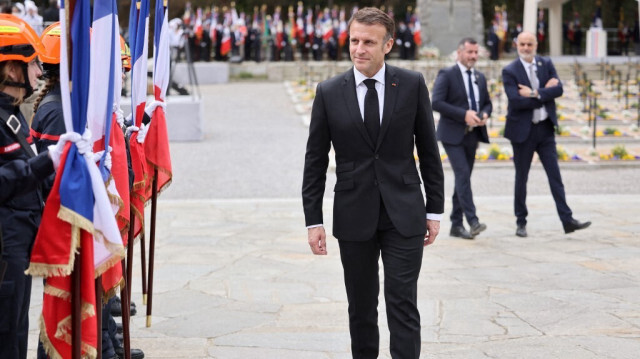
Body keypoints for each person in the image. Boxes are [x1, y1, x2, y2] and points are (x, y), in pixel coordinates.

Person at [302, 7, 444, 358]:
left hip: (405, 213)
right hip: (353, 215)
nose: (359, 49)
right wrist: (314, 220)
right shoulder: (329, 92)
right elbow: (315, 161)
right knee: (361, 308)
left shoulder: (411, 85)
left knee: (402, 303)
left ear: (388, 45)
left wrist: (435, 211)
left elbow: (429, 150)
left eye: (369, 42)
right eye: (354, 41)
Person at [0, 14, 87, 359]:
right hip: (5, 245)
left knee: (16, 329)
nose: (39, 72)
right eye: (33, 64)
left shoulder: (12, 114)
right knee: (6, 333)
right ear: (10, 69)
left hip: (19, 239)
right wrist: (45, 161)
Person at [502, 31, 591, 238]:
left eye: (529, 44)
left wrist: (534, 93)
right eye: (522, 44)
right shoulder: (510, 70)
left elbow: (559, 90)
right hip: (522, 131)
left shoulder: (546, 63)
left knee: (555, 176)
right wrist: (544, 93)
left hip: (545, 128)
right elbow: (516, 101)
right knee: (521, 178)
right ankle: (521, 222)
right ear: (517, 45)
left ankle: (567, 220)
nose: (525, 47)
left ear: (536, 44)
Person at [432, 37, 491, 240]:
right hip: (452, 135)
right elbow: (436, 102)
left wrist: (484, 114)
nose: (473, 56)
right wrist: (463, 114)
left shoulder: (480, 77)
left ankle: (456, 225)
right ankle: (473, 221)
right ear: (459, 53)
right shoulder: (447, 74)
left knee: (462, 178)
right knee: (463, 174)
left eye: (476, 52)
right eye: (470, 52)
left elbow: (487, 103)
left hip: (472, 135)